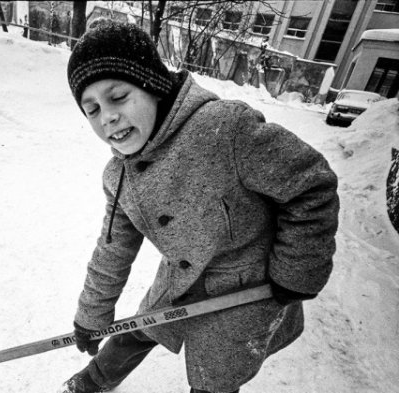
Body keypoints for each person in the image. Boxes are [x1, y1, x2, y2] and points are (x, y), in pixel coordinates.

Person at [59, 19, 339, 393]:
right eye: (91, 109)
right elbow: (113, 249)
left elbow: (312, 187)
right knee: (139, 329)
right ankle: (93, 381)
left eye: (118, 96)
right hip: (181, 279)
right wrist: (92, 315)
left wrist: (295, 270)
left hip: (246, 291)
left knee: (215, 378)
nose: (106, 116)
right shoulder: (119, 175)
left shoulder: (225, 129)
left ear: (152, 86)